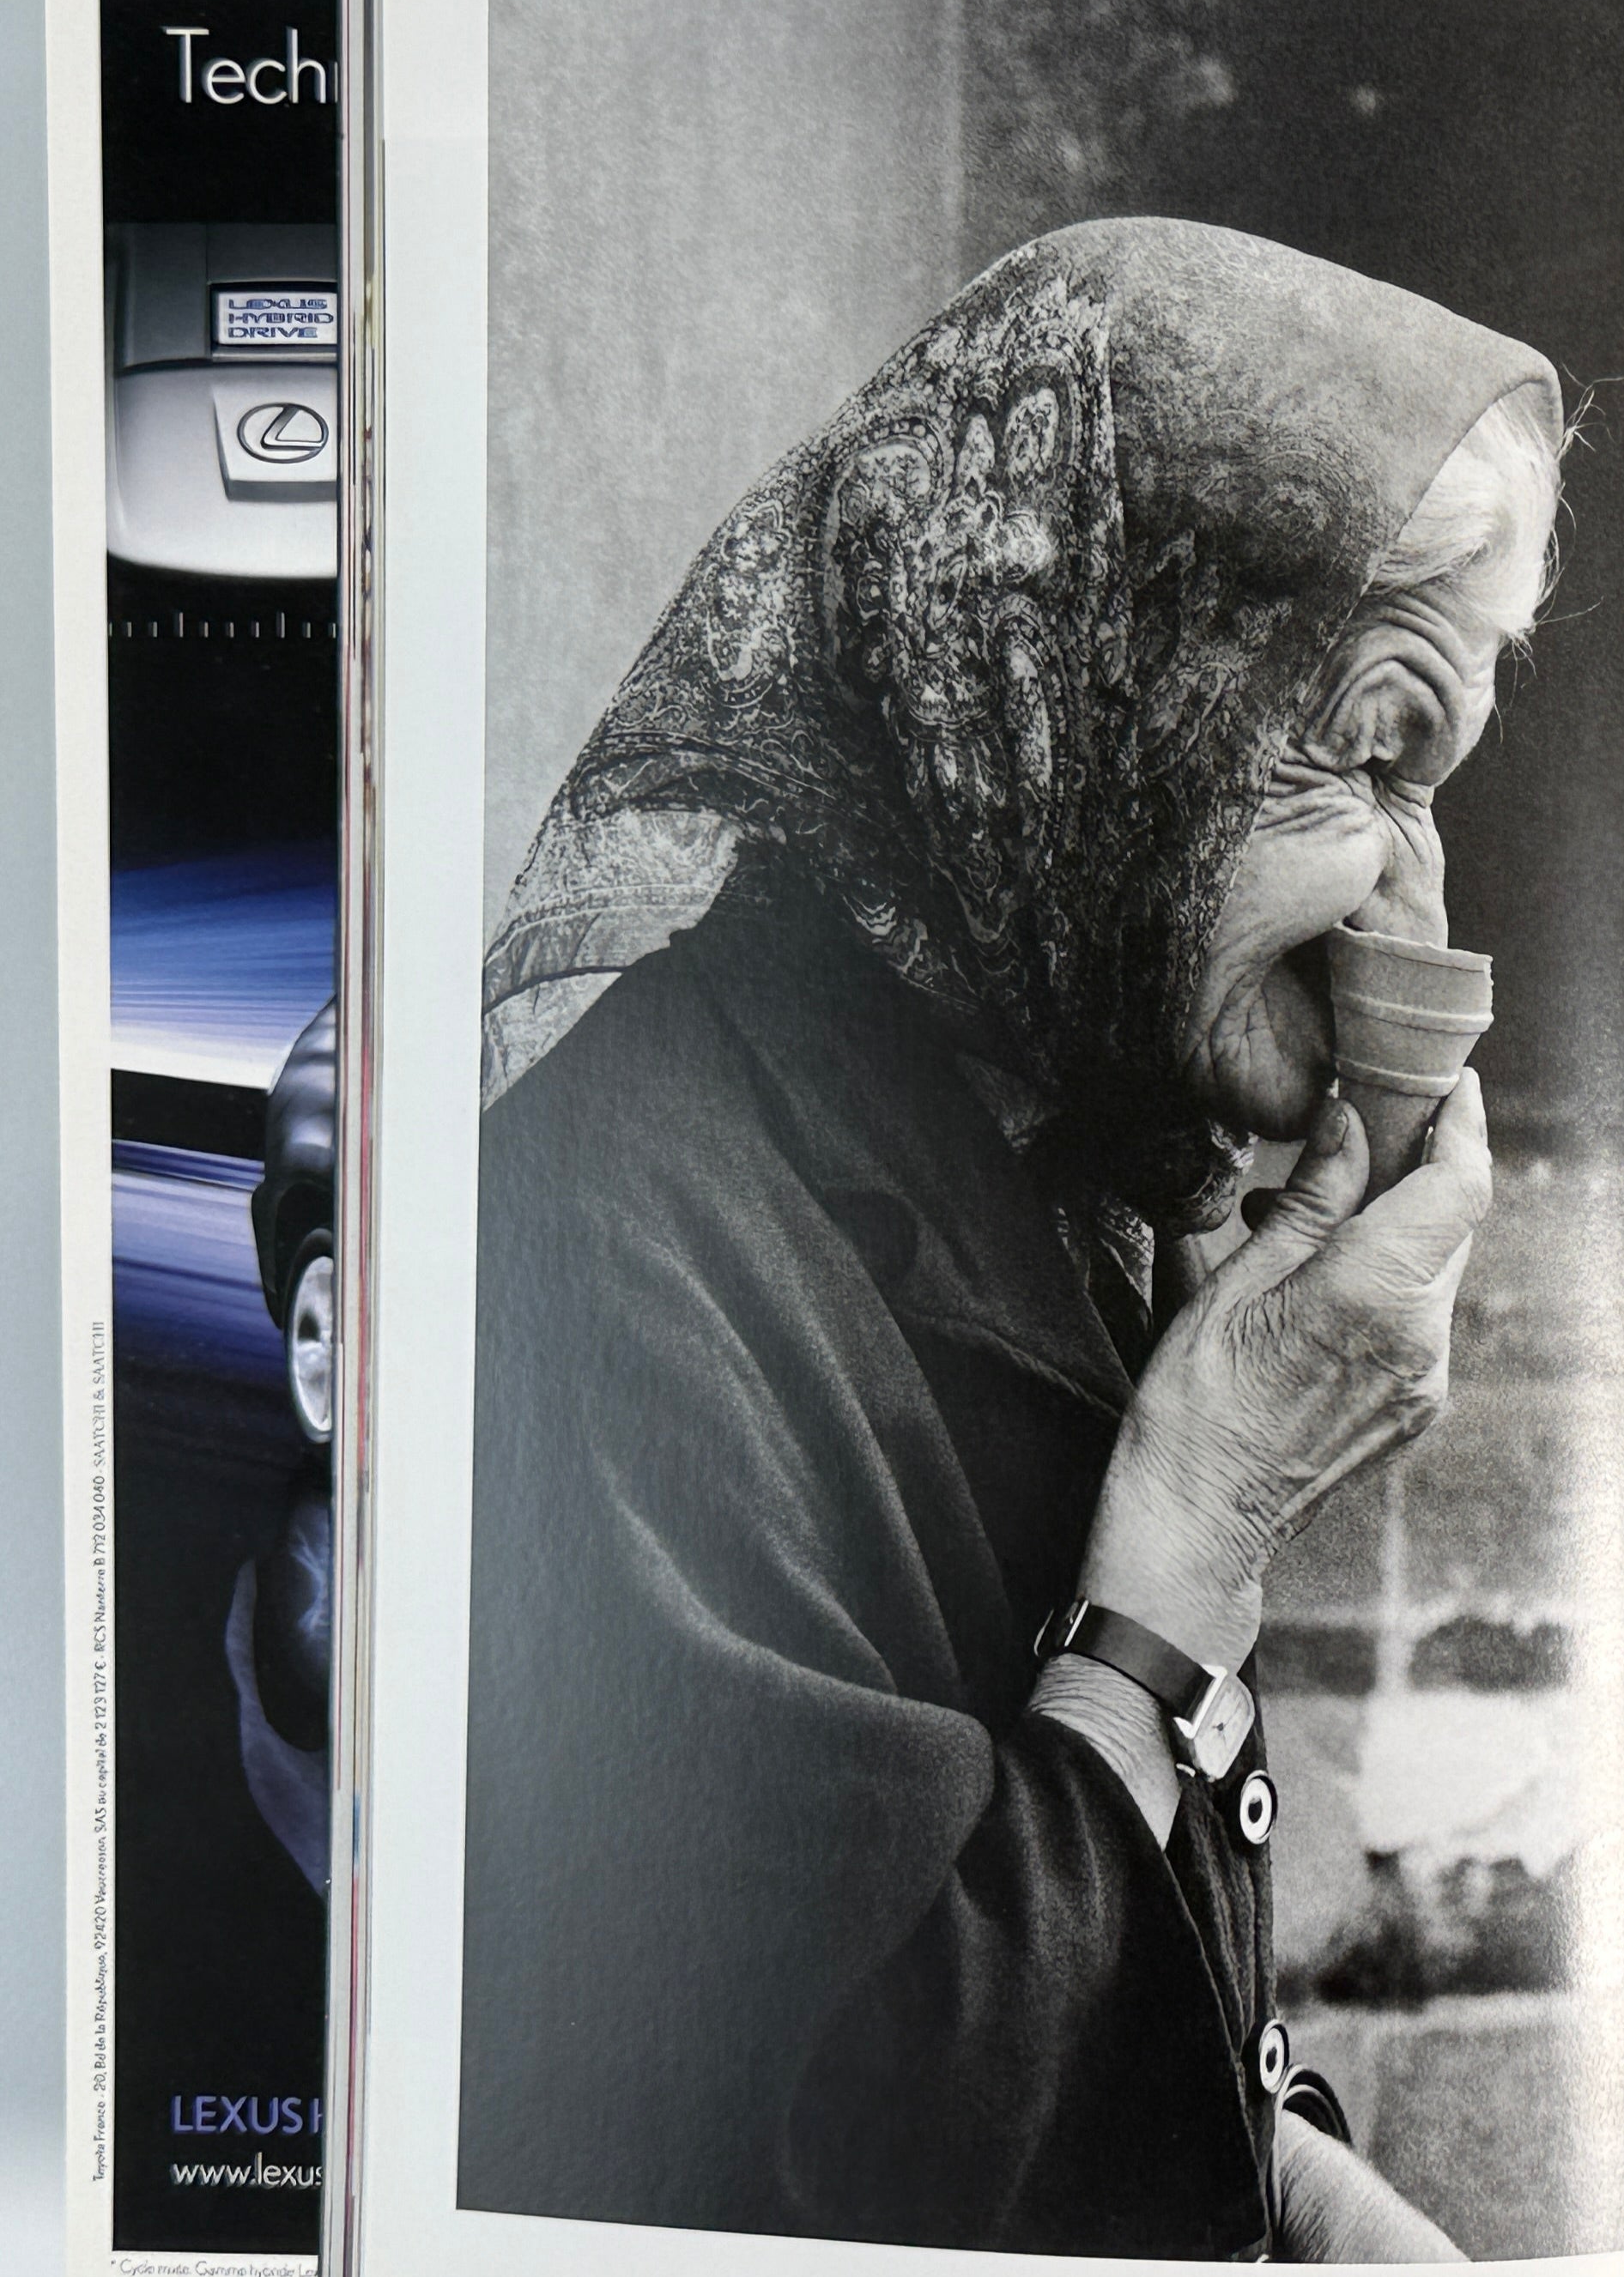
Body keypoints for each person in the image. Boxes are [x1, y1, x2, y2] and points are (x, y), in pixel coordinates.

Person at [458, 220, 1566, 2257]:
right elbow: (825, 2155)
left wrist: (1287, 2164)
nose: (1412, 899)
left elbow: (1114, 1944)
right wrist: (1195, 1538)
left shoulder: (1073, 1133)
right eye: (1360, 762)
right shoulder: (595, 1245)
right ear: (1074, 698)